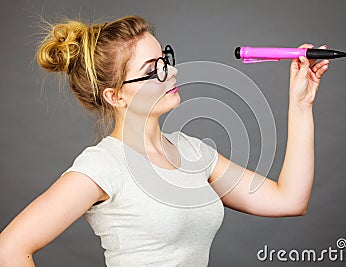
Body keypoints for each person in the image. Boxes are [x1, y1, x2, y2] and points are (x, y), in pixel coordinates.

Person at [0, 15, 329, 266]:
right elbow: (10, 248)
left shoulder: (191, 150)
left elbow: (289, 200)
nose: (171, 73)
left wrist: (302, 103)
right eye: (152, 69)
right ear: (115, 96)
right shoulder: (103, 166)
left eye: (165, 60)